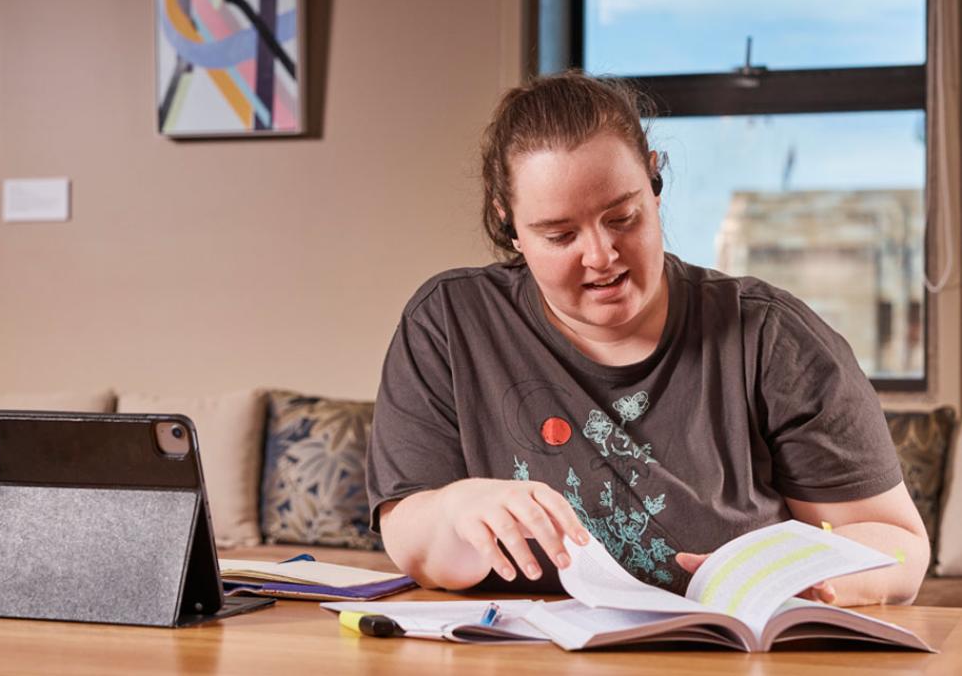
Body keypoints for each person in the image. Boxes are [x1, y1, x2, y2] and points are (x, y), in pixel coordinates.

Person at [366, 70, 929, 606]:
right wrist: (455, 506)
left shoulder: (771, 337)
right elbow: (411, 537)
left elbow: (901, 547)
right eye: (560, 235)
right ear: (508, 222)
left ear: (654, 182)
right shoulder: (449, 322)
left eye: (623, 217)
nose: (601, 256)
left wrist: (806, 579)